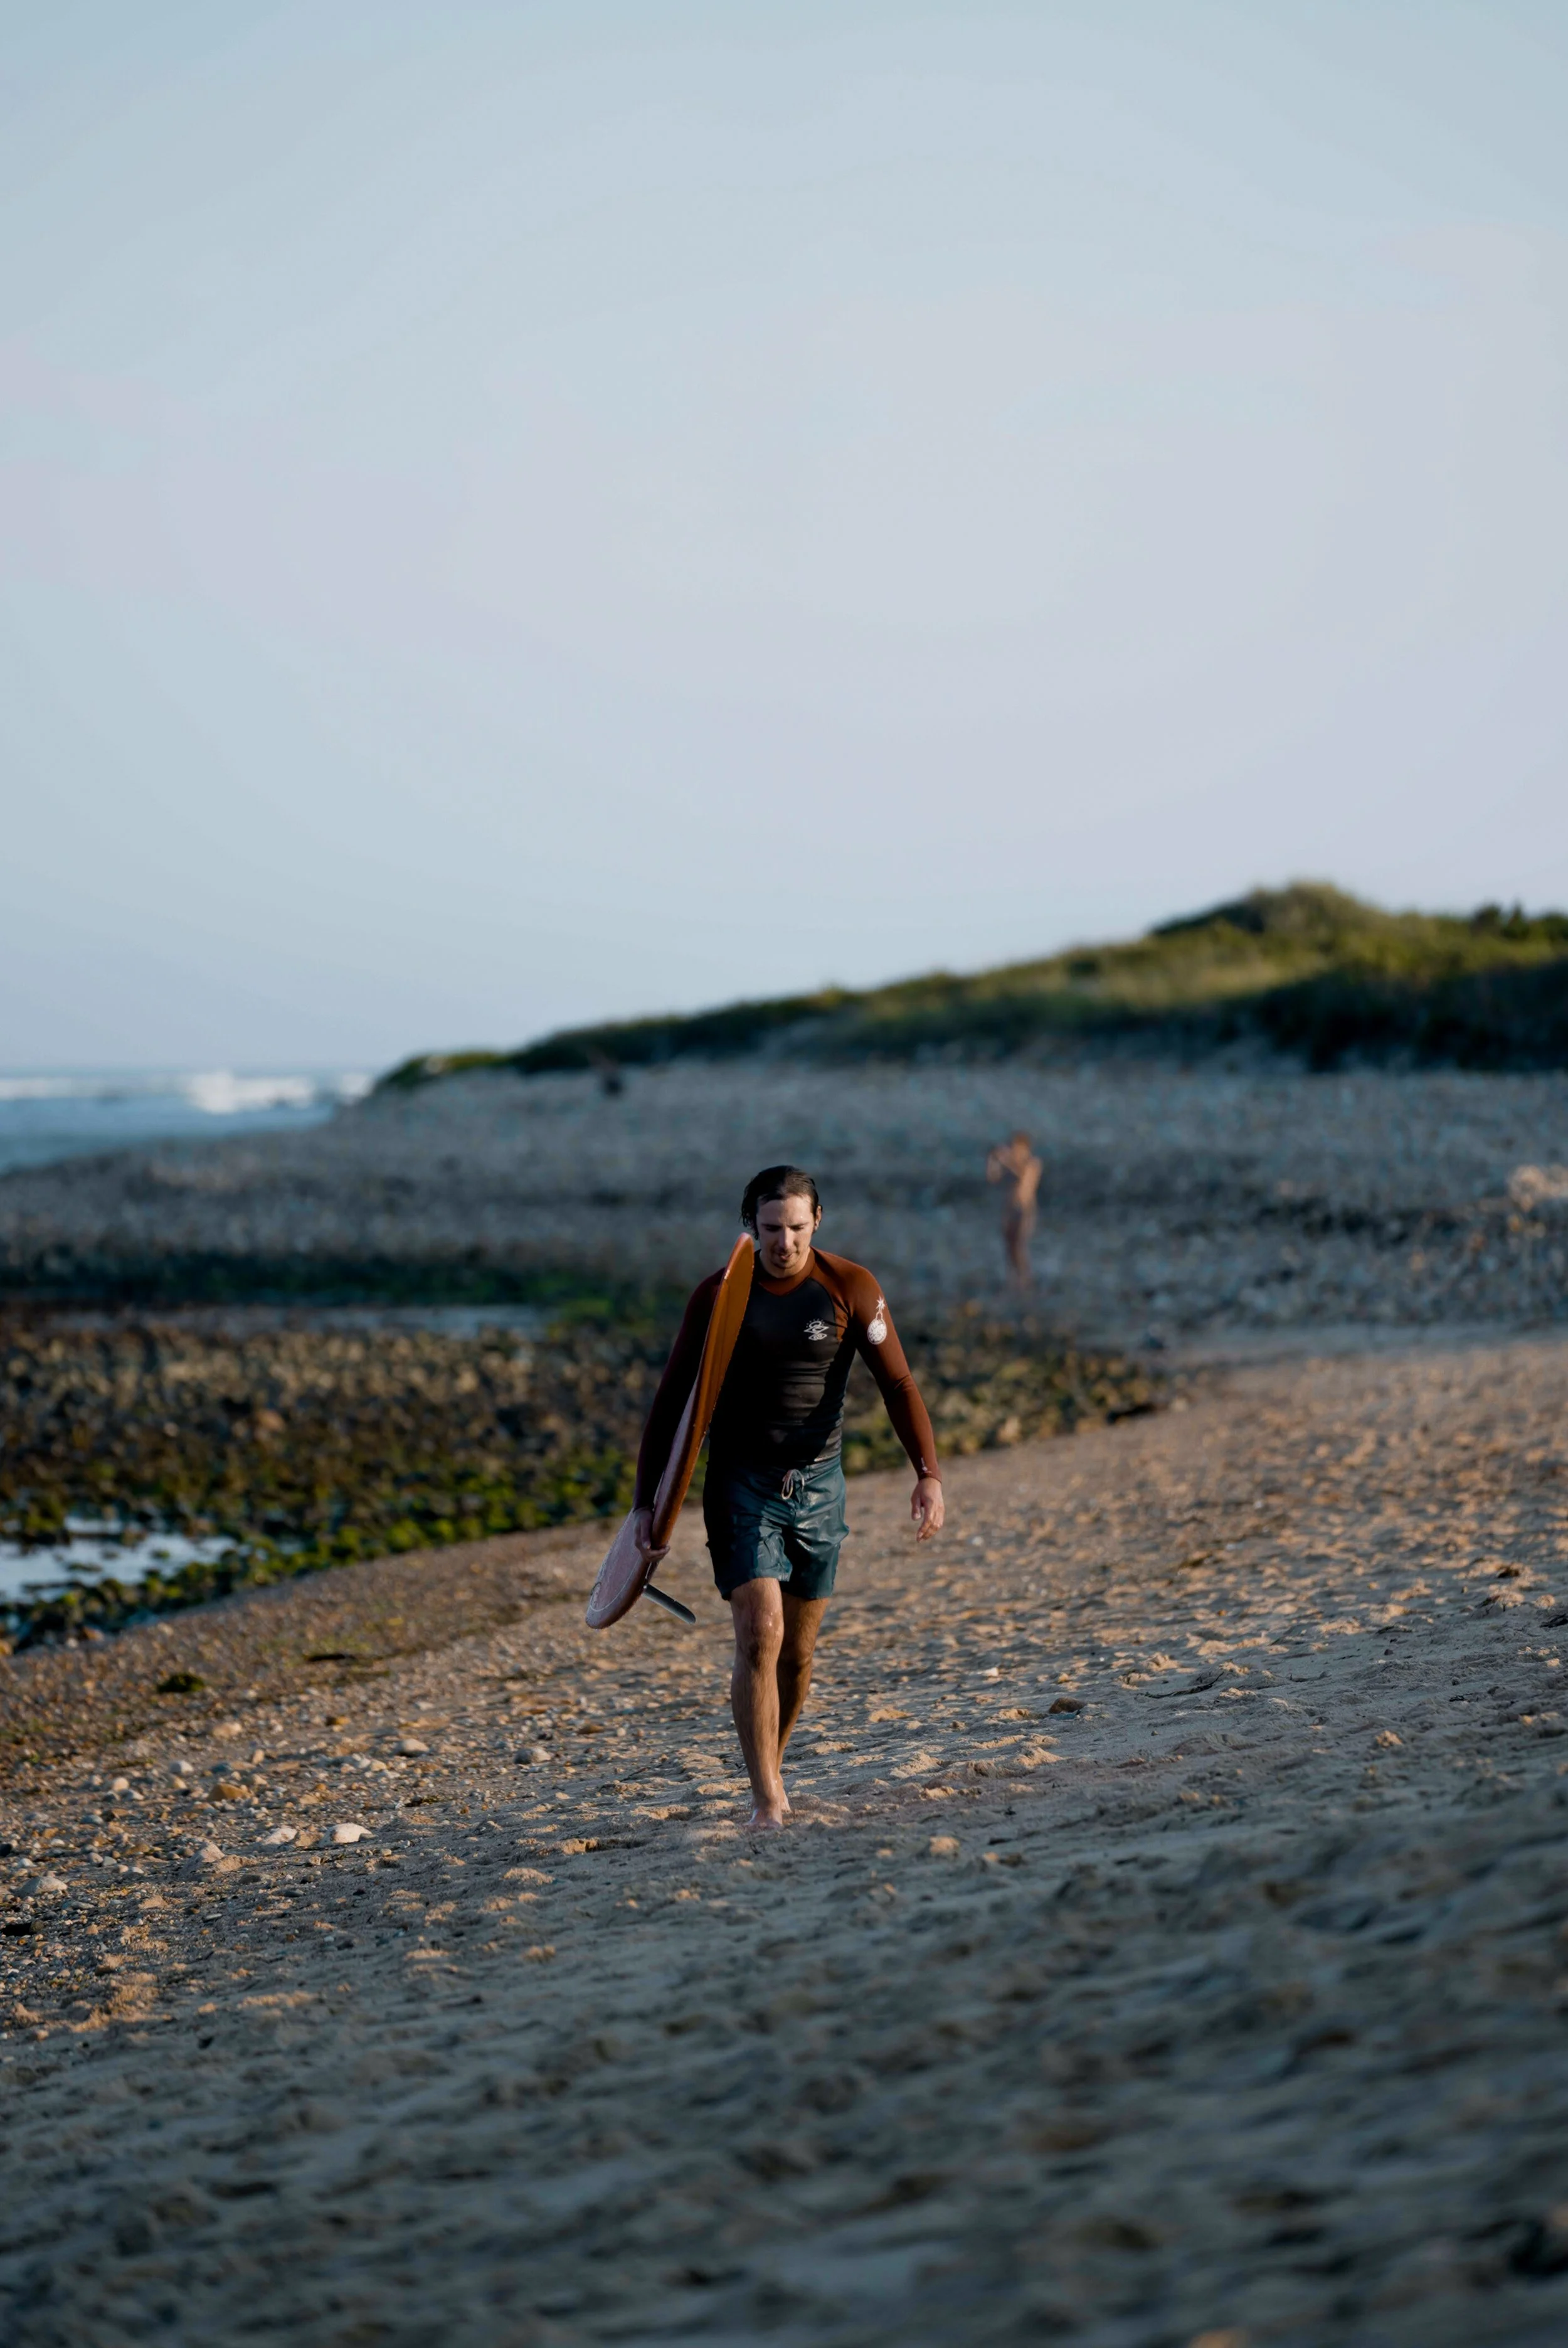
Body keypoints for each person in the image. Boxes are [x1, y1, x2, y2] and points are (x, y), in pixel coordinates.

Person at [632, 1165, 944, 1830]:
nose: (784, 1243)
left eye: (796, 1228)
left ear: (817, 1221)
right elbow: (672, 1403)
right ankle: (767, 1797)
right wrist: (644, 1505)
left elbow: (899, 1385)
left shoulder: (850, 1286)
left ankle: (767, 1760)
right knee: (759, 1632)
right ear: (751, 1228)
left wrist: (928, 1473)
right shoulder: (718, 1296)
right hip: (741, 1482)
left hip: (820, 1483)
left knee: (798, 1655)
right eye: (771, 1229)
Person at [986, 1130, 1043, 1288]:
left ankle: (1025, 1279)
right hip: (1010, 1209)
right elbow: (993, 1178)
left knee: (1019, 1245)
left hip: (1024, 1210)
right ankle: (1013, 1279)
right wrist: (993, 1161)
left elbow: (1024, 1177)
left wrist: (1007, 1161)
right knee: (1009, 1245)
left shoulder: (1033, 1163)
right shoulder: (1010, 1166)